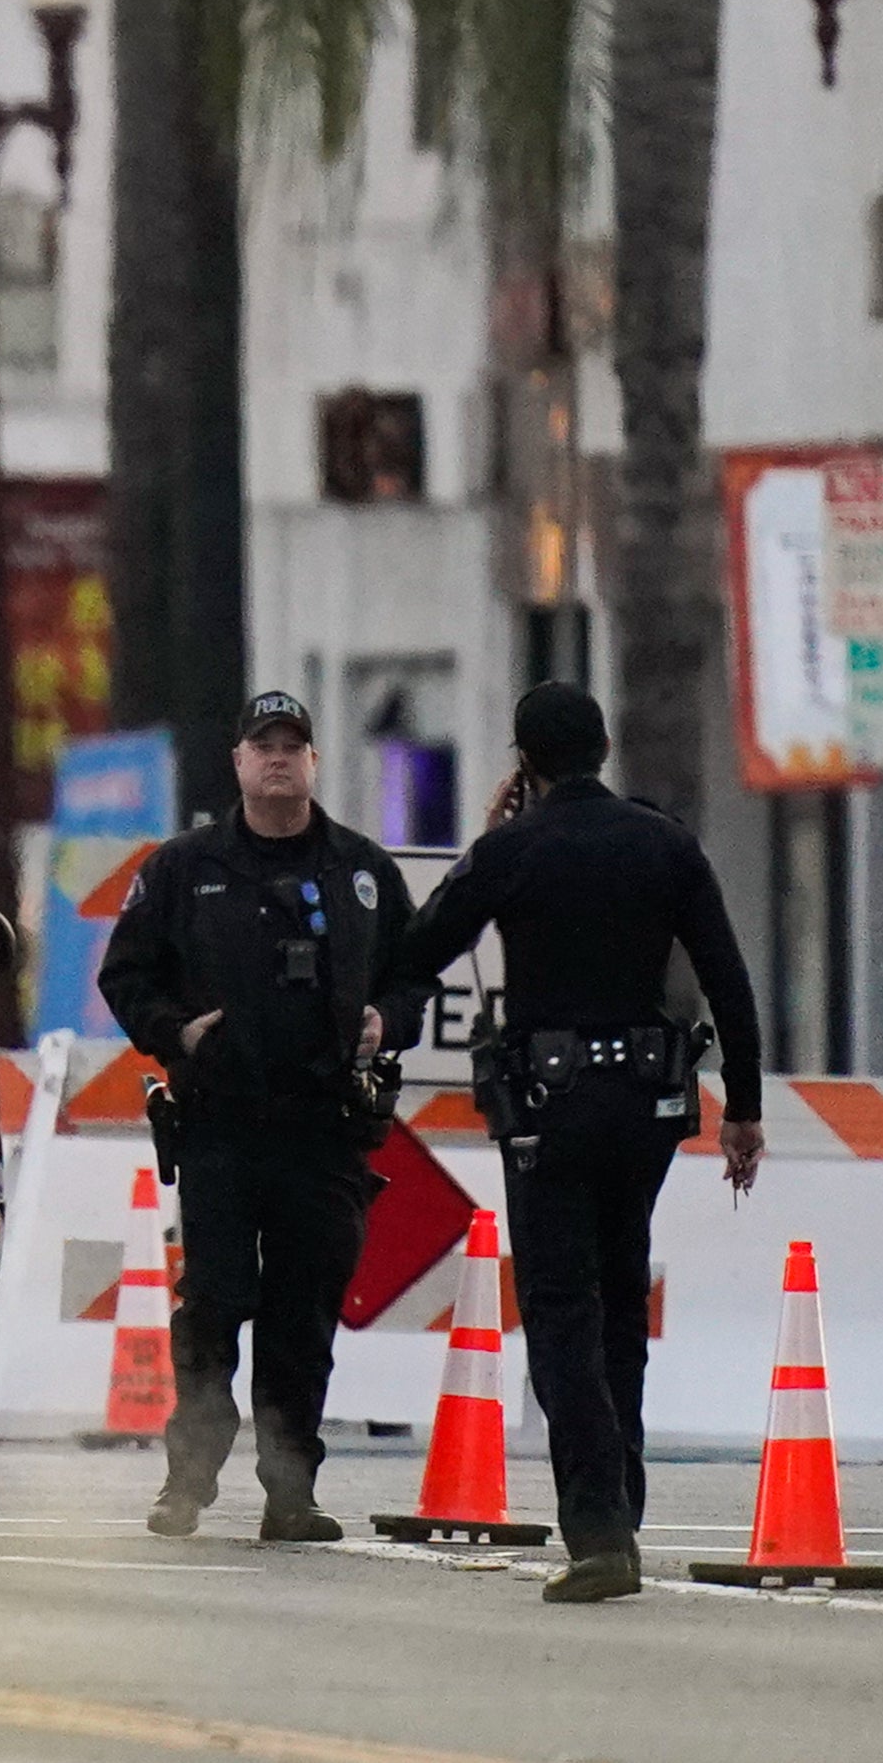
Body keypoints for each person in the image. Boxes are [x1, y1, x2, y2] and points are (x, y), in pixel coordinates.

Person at [395, 682, 764, 1604]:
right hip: (645, 1105)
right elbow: (727, 978)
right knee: (615, 1293)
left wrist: (486, 846)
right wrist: (744, 1109)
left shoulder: (513, 850)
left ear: (524, 759)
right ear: (603, 746)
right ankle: (621, 1496)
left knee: (560, 1308)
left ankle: (598, 1528)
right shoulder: (665, 843)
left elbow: (416, 950)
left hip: (548, 1113)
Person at [98, 690, 430, 1543]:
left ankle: (291, 1491)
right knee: (211, 1303)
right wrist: (177, 1032)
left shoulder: (359, 872)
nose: (278, 757)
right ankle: (187, 1483)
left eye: (293, 744)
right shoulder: (183, 868)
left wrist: (385, 1020)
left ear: (314, 761)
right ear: (238, 762)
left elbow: (412, 974)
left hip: (323, 1125)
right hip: (219, 1122)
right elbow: (126, 974)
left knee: (301, 1313)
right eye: (262, 745)